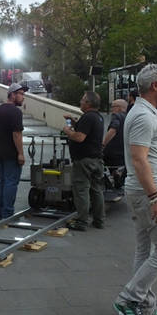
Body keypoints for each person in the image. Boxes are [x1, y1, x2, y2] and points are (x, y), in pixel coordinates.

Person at [114, 64, 157, 315]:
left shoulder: (145, 112)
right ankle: (128, 299)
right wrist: (156, 198)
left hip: (145, 191)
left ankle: (146, 306)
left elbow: (145, 154)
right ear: (155, 86)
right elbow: (139, 160)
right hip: (149, 194)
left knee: (145, 252)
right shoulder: (143, 116)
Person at [63, 91, 105, 231]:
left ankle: (82, 221)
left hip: (84, 161)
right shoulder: (98, 117)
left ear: (88, 103)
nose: (80, 102)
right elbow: (88, 132)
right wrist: (75, 123)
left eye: (82, 100)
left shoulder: (88, 117)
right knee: (96, 190)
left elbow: (80, 137)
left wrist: (68, 131)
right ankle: (99, 220)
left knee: (81, 191)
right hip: (96, 159)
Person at [0, 83, 27, 220]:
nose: (23, 97)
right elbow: (16, 134)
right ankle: (7, 213)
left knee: (3, 181)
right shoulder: (16, 112)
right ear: (12, 95)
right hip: (11, 153)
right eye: (21, 94)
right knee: (11, 182)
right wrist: (21, 153)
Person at [103, 99, 128, 168]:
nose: (111, 109)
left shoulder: (117, 116)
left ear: (120, 107)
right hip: (123, 154)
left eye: (113, 106)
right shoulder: (128, 117)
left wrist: (103, 145)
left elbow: (113, 129)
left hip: (112, 154)